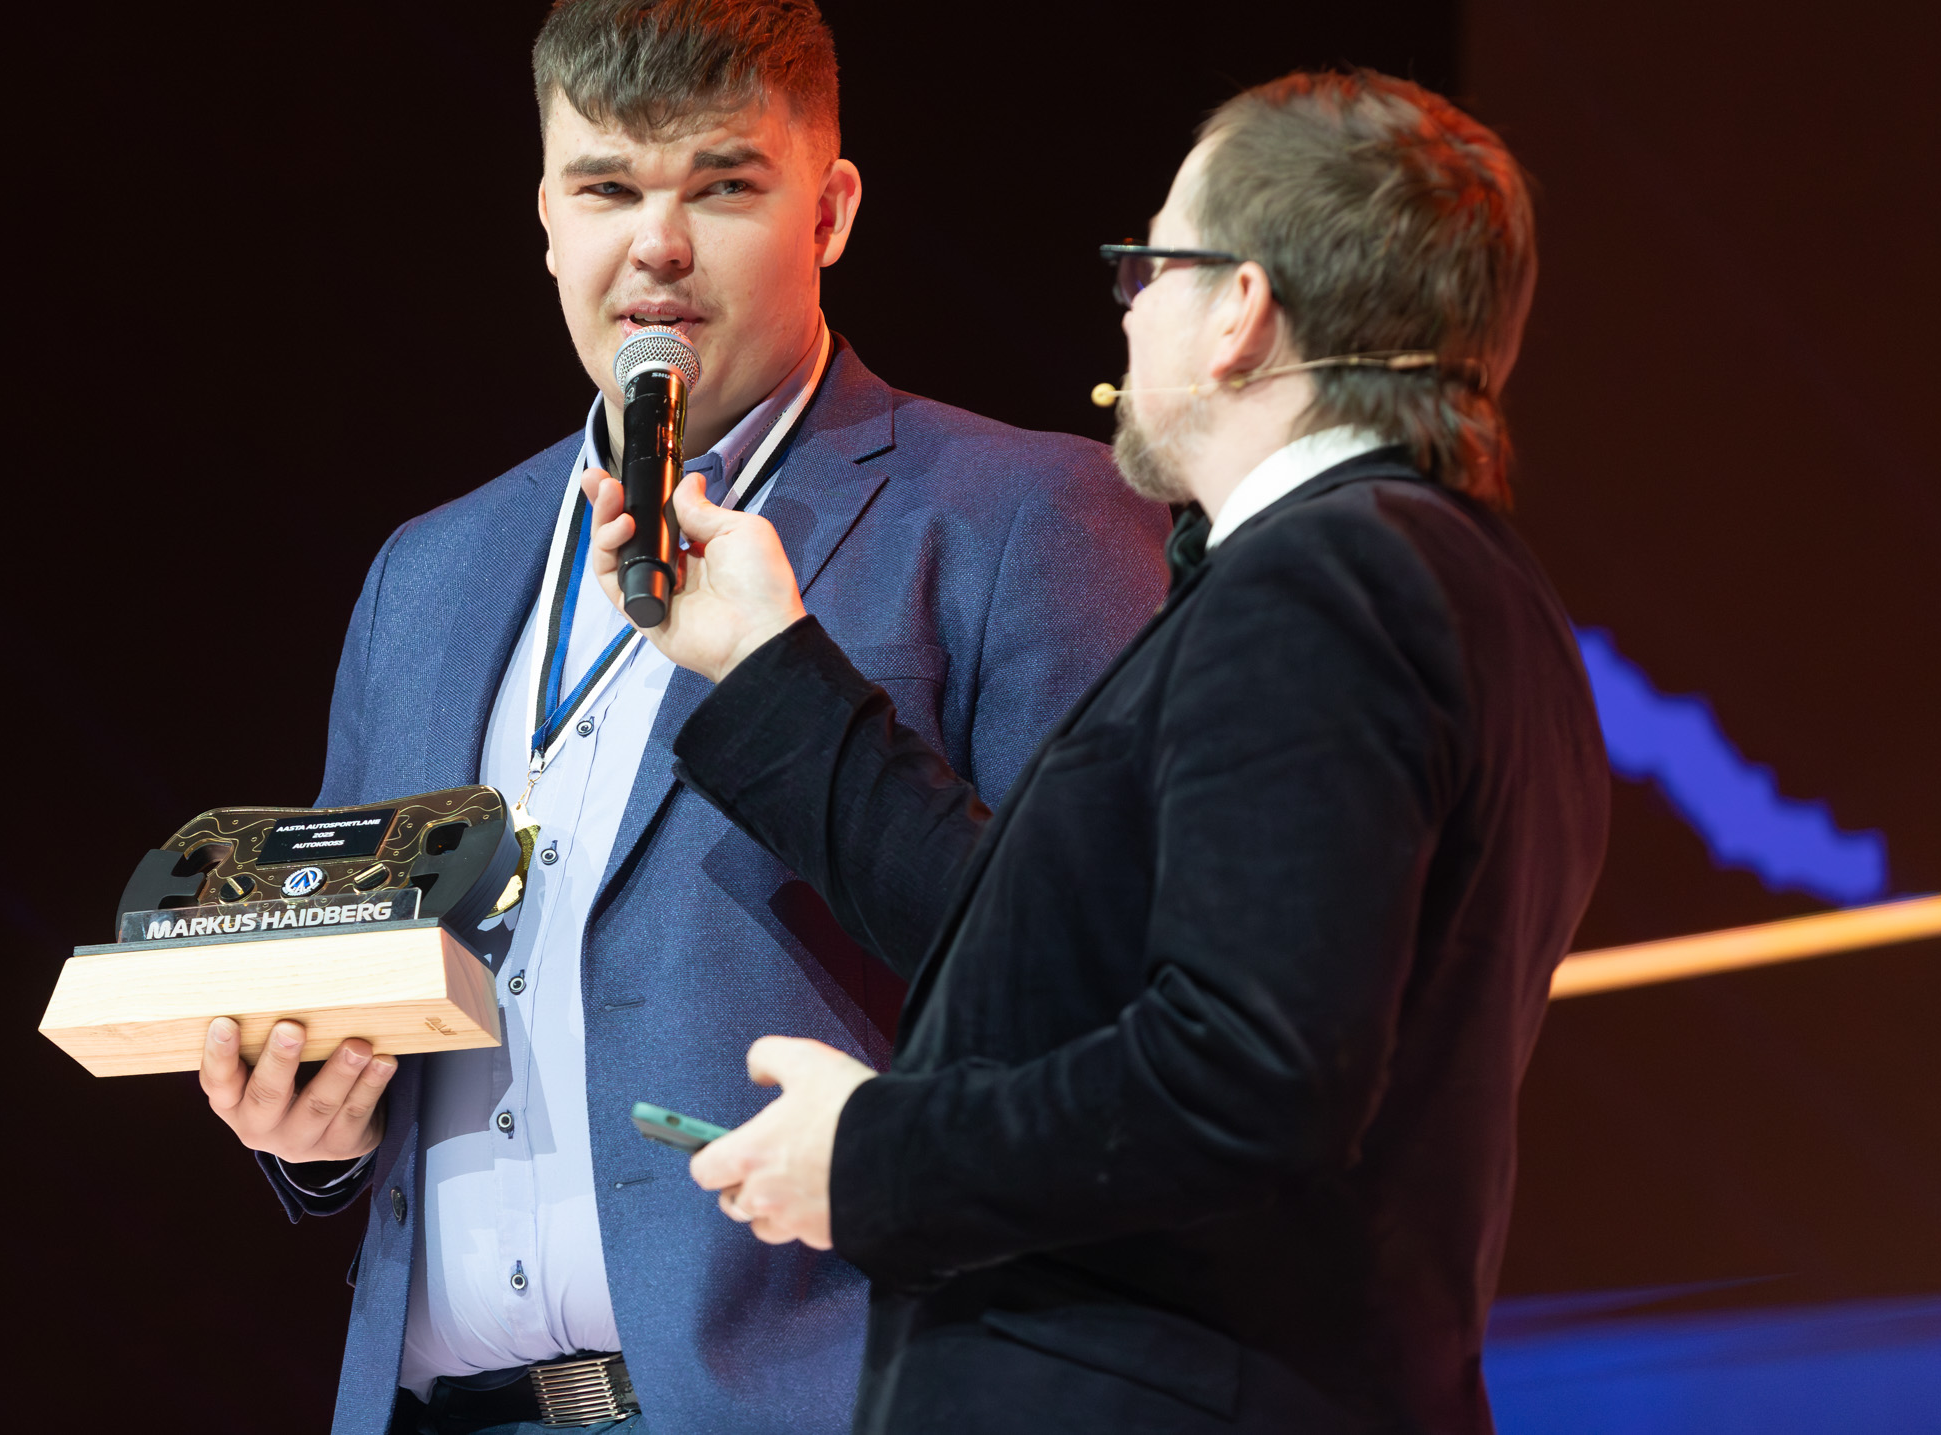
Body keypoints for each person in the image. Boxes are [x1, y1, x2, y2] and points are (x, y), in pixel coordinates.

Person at [196, 0, 1171, 1435]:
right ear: (543, 217)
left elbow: (1102, 994)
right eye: (606, 188)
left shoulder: (1018, 519)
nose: (655, 245)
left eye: (722, 187)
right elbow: (360, 996)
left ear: (831, 211)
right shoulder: (429, 573)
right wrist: (311, 1125)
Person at [584, 70, 1610, 1432]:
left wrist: (881, 1157)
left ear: (1240, 310)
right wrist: (768, 670)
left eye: (1152, 267)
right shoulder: (1459, 587)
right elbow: (1079, 976)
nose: (1128, 309)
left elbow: (1247, 1074)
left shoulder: (1323, 587)